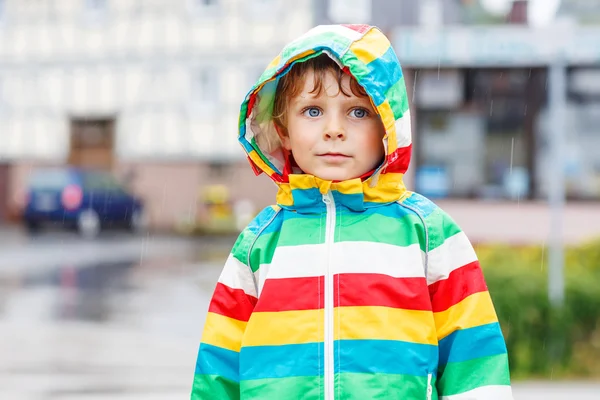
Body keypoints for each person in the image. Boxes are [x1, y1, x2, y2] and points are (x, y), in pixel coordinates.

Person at [191, 24, 513, 400]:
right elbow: (219, 365)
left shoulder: (428, 233)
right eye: (313, 110)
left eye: (358, 112)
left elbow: (473, 358)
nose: (333, 130)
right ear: (283, 131)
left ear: (387, 127)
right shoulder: (260, 244)